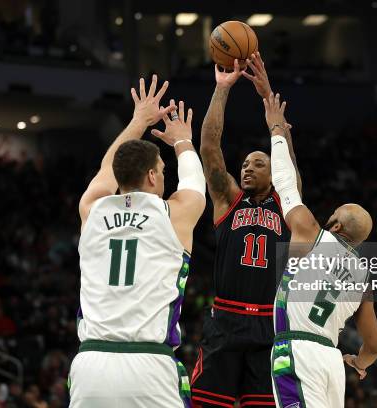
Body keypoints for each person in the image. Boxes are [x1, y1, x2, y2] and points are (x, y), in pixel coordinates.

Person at [69, 75, 206, 407]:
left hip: (90, 366)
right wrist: (183, 141)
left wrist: (139, 121)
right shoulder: (174, 214)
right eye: (161, 169)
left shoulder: (92, 209)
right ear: (152, 176)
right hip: (148, 363)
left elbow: (107, 169)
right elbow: (194, 181)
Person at [191, 53, 298, 407]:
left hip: (269, 325)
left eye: (259, 162)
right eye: (245, 163)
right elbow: (208, 146)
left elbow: (289, 166)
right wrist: (222, 89)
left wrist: (270, 104)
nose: (248, 168)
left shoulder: (286, 206)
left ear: (274, 171)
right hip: (225, 320)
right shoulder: (228, 201)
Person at [264, 92, 377, 408]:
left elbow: (285, 184)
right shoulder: (362, 277)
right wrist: (359, 363)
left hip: (298, 352)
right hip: (331, 361)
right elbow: (373, 346)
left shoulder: (310, 234)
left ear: (337, 226)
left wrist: (276, 131)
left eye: (334, 213)